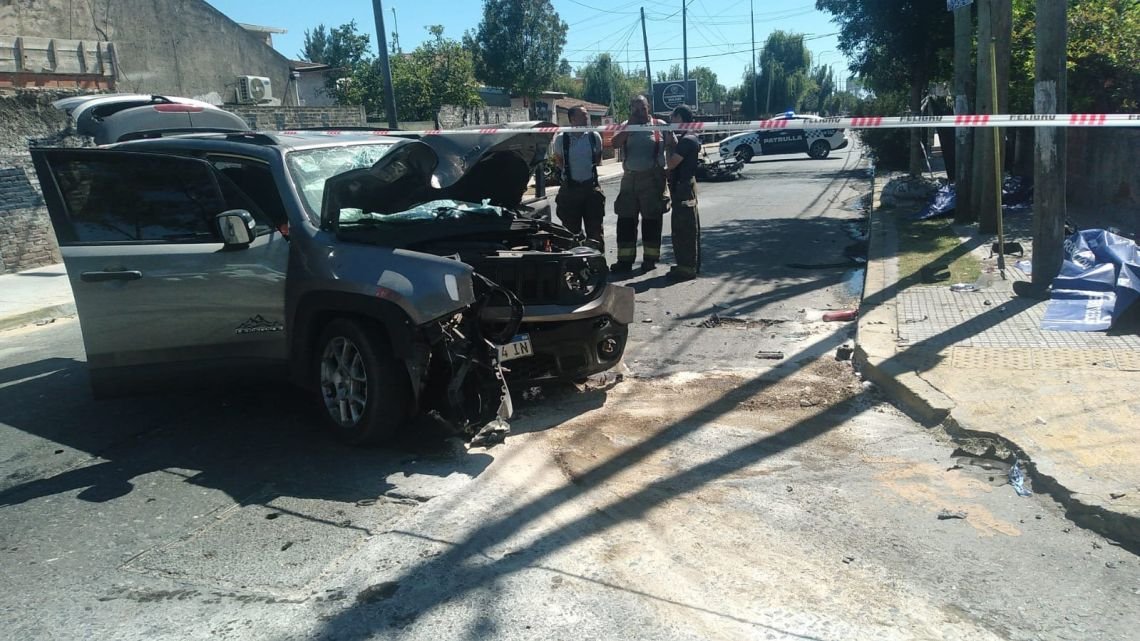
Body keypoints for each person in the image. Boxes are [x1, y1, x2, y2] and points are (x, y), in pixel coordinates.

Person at [609, 95, 672, 274]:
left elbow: (673, 144)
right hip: (629, 180)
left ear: (648, 107)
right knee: (626, 221)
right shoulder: (626, 125)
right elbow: (615, 143)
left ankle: (650, 260)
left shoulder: (659, 124)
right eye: (635, 109)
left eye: (642, 108)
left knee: (652, 220)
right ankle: (625, 261)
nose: (639, 112)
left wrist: (670, 168)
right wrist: (629, 126)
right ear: (631, 110)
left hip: (652, 180)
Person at [551, 105, 605, 250]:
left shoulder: (594, 136)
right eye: (583, 115)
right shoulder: (561, 139)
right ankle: (574, 262)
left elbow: (597, 158)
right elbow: (559, 161)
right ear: (572, 119)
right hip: (570, 189)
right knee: (570, 232)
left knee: (595, 231)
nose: (587, 117)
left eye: (587, 115)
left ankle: (597, 260)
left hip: (591, 188)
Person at [664, 104, 701, 281]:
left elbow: (672, 163)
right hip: (684, 186)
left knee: (683, 227)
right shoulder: (690, 137)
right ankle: (686, 265)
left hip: (683, 188)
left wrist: (669, 147)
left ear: (680, 118)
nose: (671, 121)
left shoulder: (687, 140)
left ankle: (687, 267)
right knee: (684, 226)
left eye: (673, 117)